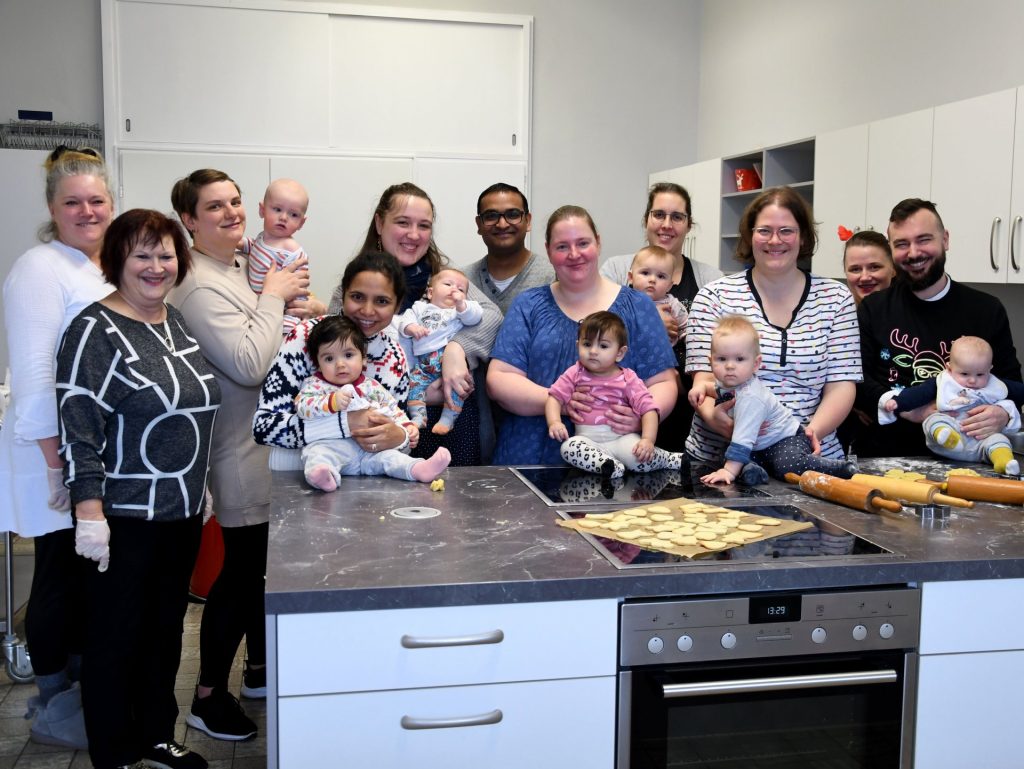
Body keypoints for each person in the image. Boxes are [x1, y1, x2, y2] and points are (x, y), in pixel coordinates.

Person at [56, 208, 219, 769]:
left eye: (166, 254)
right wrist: (89, 513)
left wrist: (201, 490)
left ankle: (155, 733)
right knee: (114, 637)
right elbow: (79, 427)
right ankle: (113, 749)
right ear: (117, 261)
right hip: (122, 518)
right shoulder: (93, 330)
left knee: (165, 631)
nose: (156, 266)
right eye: (141, 255)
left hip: (181, 513)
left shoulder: (173, 321)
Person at [169, 168, 310, 742]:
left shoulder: (232, 269)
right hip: (236, 448)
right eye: (214, 207)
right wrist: (275, 298)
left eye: (234, 202)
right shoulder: (199, 283)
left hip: (262, 443)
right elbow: (250, 363)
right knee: (239, 576)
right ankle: (207, 697)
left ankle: (255, 672)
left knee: (259, 572)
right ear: (188, 220)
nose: (231, 213)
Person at [0, 146, 113, 751]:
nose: (87, 210)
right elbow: (37, 375)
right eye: (73, 201)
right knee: (56, 575)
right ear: (52, 208)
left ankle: (74, 689)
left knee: (80, 575)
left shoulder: (98, 266)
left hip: (89, 450)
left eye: (97, 200)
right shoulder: (39, 268)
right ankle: (50, 698)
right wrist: (56, 466)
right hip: (53, 451)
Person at [685, 186, 861, 471]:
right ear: (749, 235)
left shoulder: (836, 298)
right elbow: (703, 380)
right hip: (717, 459)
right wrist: (727, 425)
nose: (775, 240)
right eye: (764, 230)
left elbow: (842, 385)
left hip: (810, 455)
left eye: (786, 231)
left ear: (803, 236)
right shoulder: (713, 296)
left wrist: (805, 437)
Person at [488, 205, 678, 466]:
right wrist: (559, 402)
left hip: (617, 457)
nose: (574, 254)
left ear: (598, 243)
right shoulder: (528, 305)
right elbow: (499, 380)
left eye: (583, 243)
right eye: (562, 246)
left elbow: (663, 382)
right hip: (528, 460)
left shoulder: (638, 307)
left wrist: (642, 418)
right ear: (548, 251)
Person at [328, 182, 502, 464]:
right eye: (403, 222)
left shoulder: (443, 278)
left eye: (424, 226)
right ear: (379, 223)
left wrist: (457, 351)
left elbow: (491, 316)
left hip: (450, 426)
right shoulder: (355, 287)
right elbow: (335, 356)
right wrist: (412, 389)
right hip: (380, 424)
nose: (414, 235)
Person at [855, 198, 1023, 458]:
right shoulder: (873, 309)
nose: (913, 253)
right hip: (885, 461)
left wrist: (1003, 413)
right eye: (901, 244)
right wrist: (905, 408)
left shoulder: (987, 310)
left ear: (945, 239)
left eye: (924, 240)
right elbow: (856, 382)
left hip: (973, 460)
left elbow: (1012, 384)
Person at [254, 251, 418, 471]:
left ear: (397, 307)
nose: (367, 310)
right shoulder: (305, 336)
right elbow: (263, 427)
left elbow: (396, 429)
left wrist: (401, 438)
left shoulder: (395, 355)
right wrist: (344, 425)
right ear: (343, 295)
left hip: (368, 480)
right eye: (357, 297)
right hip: (298, 474)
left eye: (382, 301)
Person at [601, 182, 723, 452]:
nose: (667, 224)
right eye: (659, 215)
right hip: (628, 408)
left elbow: (723, 342)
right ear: (646, 220)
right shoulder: (617, 269)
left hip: (693, 411)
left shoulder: (712, 279)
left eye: (677, 217)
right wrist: (645, 320)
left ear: (689, 225)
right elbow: (595, 329)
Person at [690, 316, 857, 485]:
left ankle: (838, 469)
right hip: (759, 445)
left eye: (739, 359)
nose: (730, 366)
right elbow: (717, 389)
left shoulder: (751, 396)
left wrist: (728, 471)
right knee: (725, 453)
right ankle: (752, 470)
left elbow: (742, 439)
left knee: (786, 465)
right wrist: (702, 387)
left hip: (785, 439)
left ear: (756, 364)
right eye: (722, 359)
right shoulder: (730, 382)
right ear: (711, 362)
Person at [298, 315, 450, 489]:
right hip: (335, 448)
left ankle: (417, 469)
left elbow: (393, 409)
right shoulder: (315, 384)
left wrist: (407, 428)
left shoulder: (372, 386)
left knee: (392, 459)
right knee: (316, 454)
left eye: (348, 355)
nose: (340, 364)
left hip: (372, 451)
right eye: (329, 359)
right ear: (318, 364)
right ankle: (324, 477)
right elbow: (302, 407)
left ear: (363, 359)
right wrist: (331, 402)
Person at [546, 311, 682, 478]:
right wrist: (554, 422)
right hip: (588, 441)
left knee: (639, 459)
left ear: (620, 353)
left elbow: (649, 409)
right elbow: (554, 397)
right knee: (568, 448)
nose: (593, 351)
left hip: (621, 439)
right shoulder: (575, 372)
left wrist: (647, 439)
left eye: (603, 346)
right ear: (577, 345)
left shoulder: (628, 378)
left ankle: (668, 459)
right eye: (587, 344)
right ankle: (608, 466)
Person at [880, 336, 1021, 475]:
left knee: (999, 440)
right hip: (949, 437)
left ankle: (1005, 463)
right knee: (933, 419)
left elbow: (1019, 391)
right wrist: (898, 401)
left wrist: (1006, 412)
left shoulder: (996, 384)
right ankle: (947, 437)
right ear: (949, 368)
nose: (972, 380)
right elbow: (918, 394)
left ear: (989, 369)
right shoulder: (943, 382)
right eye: (965, 373)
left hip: (981, 441)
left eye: (980, 374)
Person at [396, 268, 482, 434]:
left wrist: (461, 305)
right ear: (430, 292)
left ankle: (448, 419)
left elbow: (476, 316)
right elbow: (404, 321)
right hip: (424, 364)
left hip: (447, 361)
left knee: (457, 386)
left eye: (460, 289)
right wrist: (411, 327)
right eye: (448, 284)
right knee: (414, 384)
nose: (454, 290)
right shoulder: (420, 308)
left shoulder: (459, 311)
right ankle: (418, 417)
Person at [465, 182, 554, 314]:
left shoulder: (552, 277)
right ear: (479, 224)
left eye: (512, 214)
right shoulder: (462, 281)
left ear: (528, 221)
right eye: (491, 216)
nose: (502, 224)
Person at [245, 178, 312, 336]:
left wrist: (289, 323)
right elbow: (255, 247)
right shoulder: (262, 237)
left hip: (281, 316)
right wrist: (240, 243)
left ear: (301, 223)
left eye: (293, 214)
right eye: (277, 209)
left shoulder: (292, 251)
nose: (284, 217)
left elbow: (298, 292)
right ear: (262, 210)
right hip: (258, 309)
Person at [628, 245, 688, 329]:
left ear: (669, 286)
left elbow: (687, 329)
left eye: (660, 276)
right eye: (645, 273)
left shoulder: (673, 305)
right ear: (631, 277)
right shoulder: (626, 302)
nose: (652, 279)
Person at [843, 230, 896, 304]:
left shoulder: (909, 312)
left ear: (893, 269)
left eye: (874, 267)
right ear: (845, 271)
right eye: (855, 269)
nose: (864, 278)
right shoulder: (835, 311)